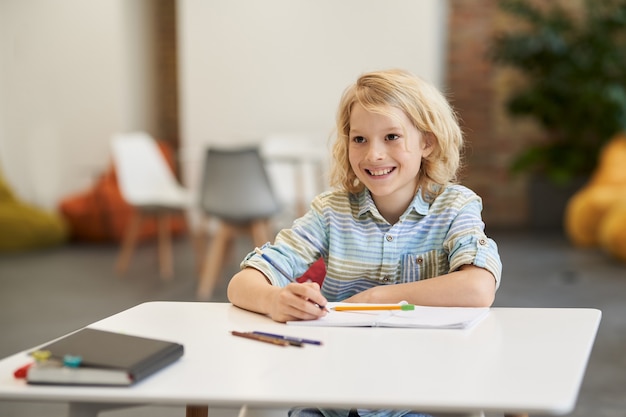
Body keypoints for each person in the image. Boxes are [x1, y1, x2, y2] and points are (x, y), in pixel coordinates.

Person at [227, 69, 502, 417]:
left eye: (391, 137)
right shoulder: (331, 211)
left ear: (427, 143)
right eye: (359, 139)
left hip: (423, 396)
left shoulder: (455, 206)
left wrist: (373, 299)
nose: (373, 154)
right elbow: (242, 284)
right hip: (337, 397)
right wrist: (274, 299)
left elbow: (478, 288)